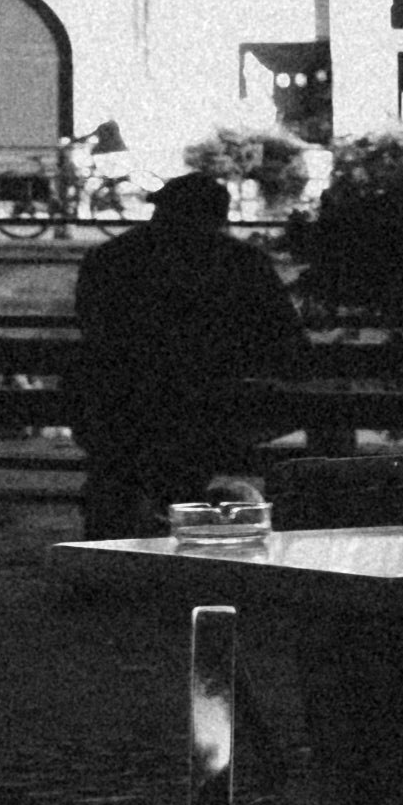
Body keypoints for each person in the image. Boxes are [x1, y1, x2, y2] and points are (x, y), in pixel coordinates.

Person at [69, 171, 305, 534]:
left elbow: (93, 328)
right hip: (213, 409)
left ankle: (115, 532)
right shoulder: (241, 262)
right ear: (218, 216)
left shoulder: (108, 258)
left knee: (136, 437)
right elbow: (288, 342)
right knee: (193, 425)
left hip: (113, 409)